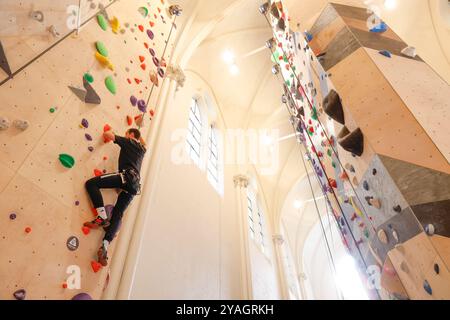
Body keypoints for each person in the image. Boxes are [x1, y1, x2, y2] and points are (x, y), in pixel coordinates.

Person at [84, 128, 147, 266]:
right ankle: (105, 247)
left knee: (91, 184)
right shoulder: (142, 150)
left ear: (130, 135)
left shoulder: (128, 141)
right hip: (134, 187)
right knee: (118, 215)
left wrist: (111, 132)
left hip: (125, 177)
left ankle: (101, 217)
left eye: (127, 134)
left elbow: (108, 135)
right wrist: (138, 136)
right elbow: (144, 143)